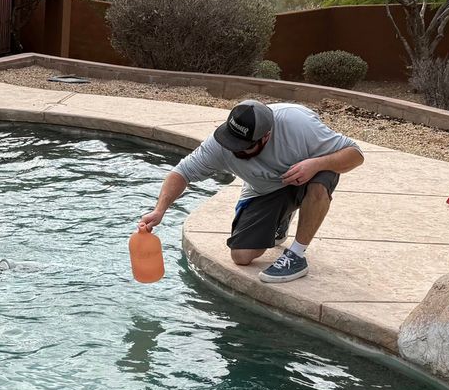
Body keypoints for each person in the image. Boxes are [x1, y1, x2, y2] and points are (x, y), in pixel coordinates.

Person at [138, 100, 364, 283]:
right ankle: (281, 219)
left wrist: (316, 164)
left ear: (266, 136)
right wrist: (159, 210)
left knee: (320, 181)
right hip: (268, 189)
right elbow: (181, 173)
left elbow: (355, 154)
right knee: (241, 256)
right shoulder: (220, 144)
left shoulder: (297, 123)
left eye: (244, 146)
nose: (236, 151)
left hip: (308, 174)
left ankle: (297, 254)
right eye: (232, 143)